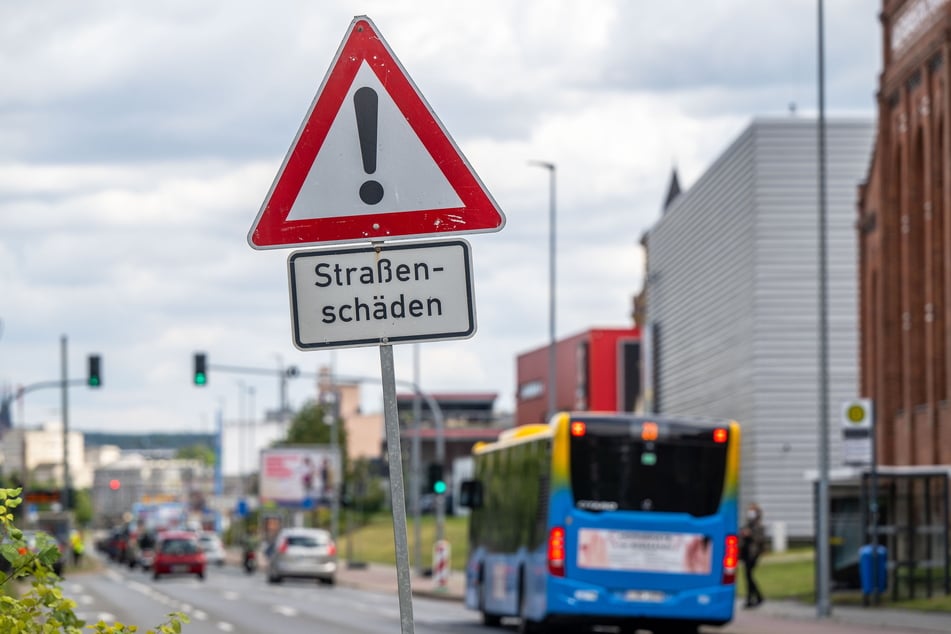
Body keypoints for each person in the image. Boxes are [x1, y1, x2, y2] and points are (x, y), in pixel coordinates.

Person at [739, 502, 766, 607]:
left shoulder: (758, 526)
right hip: (746, 554)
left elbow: (760, 540)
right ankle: (756, 597)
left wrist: (750, 535)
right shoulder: (747, 525)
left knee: (749, 575)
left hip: (753, 554)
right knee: (748, 576)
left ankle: (753, 598)